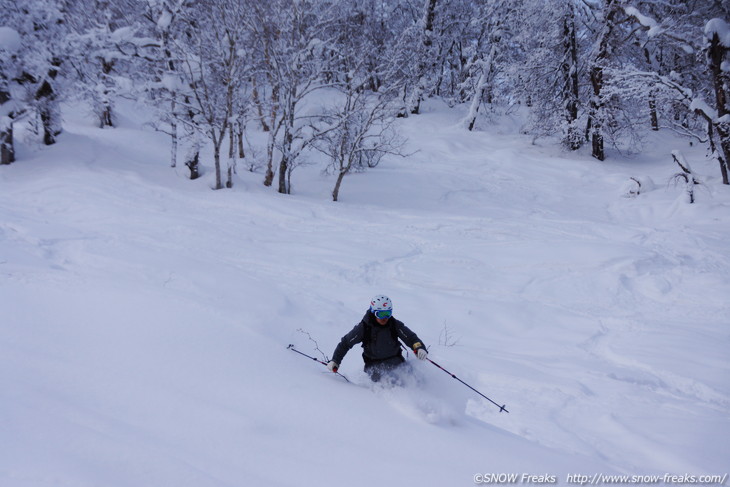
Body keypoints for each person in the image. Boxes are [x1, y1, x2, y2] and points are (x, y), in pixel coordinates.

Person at [327, 295, 428, 382]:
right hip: (375, 367)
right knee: (391, 385)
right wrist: (335, 360)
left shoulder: (394, 325)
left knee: (417, 380)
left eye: (388, 313)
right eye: (381, 314)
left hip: (397, 363)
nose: (385, 318)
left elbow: (411, 338)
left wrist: (419, 348)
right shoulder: (364, 328)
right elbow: (345, 343)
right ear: (373, 312)